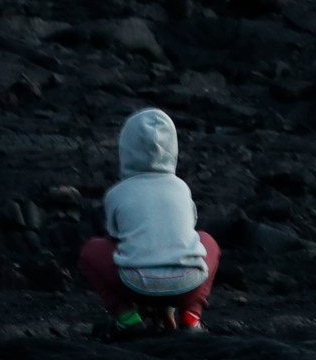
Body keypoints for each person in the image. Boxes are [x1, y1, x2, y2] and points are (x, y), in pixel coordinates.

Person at [79, 108, 220, 336]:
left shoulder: (118, 192)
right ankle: (191, 318)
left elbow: (116, 236)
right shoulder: (181, 188)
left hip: (135, 284)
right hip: (187, 286)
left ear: (126, 149)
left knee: (91, 250)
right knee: (208, 242)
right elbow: (188, 233)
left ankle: (127, 318)